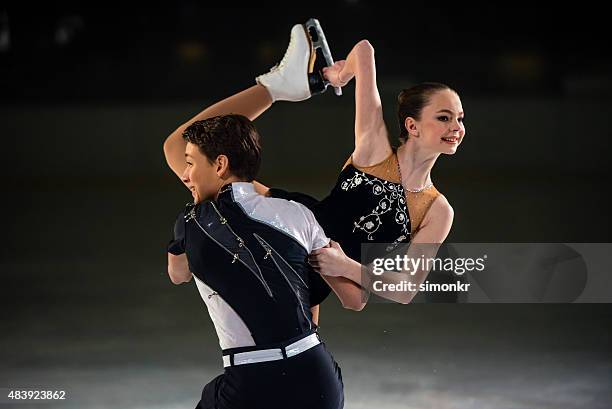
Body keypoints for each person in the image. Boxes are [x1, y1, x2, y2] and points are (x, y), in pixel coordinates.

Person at [165, 114, 364, 408]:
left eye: (190, 163)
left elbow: (178, 273)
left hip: (251, 382)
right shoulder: (299, 213)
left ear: (220, 165)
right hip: (317, 375)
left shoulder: (191, 221)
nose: (185, 175)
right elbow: (354, 299)